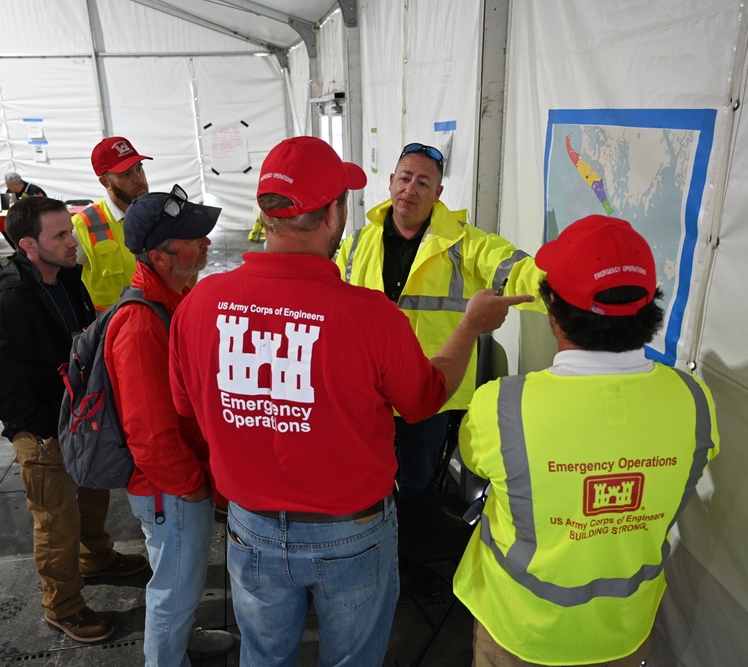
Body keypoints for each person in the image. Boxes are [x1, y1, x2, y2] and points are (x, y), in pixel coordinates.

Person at [167, 136, 531, 666]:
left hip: (250, 528)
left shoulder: (199, 304)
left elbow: (188, 406)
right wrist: (470, 327)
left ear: (266, 214)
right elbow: (425, 398)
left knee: (264, 657)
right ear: (334, 214)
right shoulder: (371, 316)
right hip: (351, 534)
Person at [453, 215, 721, 667]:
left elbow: (475, 463)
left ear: (553, 310)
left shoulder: (502, 405)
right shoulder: (695, 401)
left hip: (519, 633)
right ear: (649, 306)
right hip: (623, 633)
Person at [0, 196, 148, 644]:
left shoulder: (67, 276)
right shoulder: (11, 299)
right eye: (62, 235)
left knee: (91, 491)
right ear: (29, 245)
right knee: (55, 521)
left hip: (76, 416)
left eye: (71, 231)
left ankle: (97, 557)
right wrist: (40, 432)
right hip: (44, 429)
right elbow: (0, 381)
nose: (74, 242)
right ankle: (63, 605)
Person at [335, 142, 548, 500]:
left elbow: (518, 268)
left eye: (422, 183)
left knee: (417, 489)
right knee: (364, 480)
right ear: (390, 182)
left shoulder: (465, 243)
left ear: (438, 194)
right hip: (366, 389)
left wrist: (569, 289)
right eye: (405, 178)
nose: (410, 189)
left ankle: (408, 550)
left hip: (431, 389)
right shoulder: (356, 244)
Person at [105, 188, 236, 665]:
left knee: (183, 578)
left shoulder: (170, 299)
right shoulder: (142, 325)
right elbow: (151, 437)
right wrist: (194, 488)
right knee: (172, 588)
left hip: (178, 480)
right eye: (192, 238)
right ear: (160, 256)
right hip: (169, 487)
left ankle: (184, 639)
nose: (205, 243)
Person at [71, 136, 150, 310]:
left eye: (139, 169)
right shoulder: (83, 225)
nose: (138, 179)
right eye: (126, 174)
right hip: (110, 330)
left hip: (160, 321)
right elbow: (63, 281)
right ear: (105, 182)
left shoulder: (160, 211)